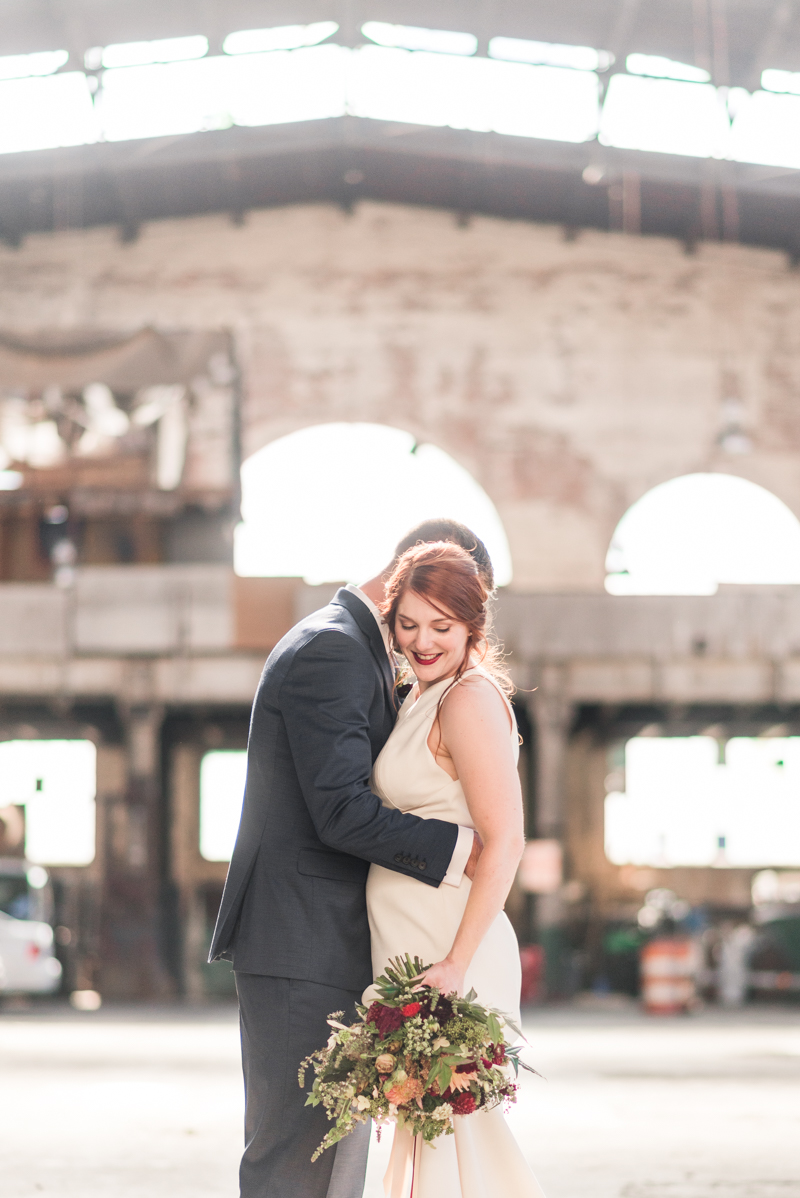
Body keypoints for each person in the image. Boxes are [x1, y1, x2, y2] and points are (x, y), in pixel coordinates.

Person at [209, 519, 494, 1198]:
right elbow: (338, 810)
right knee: (295, 1157)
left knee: (329, 1158)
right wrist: (464, 849)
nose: (428, 637)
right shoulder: (332, 650)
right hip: (300, 945)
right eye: (429, 613)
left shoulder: (354, 646)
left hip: (321, 945)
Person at [367, 540, 546, 1197]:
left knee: (463, 1147)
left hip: (449, 954)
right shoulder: (419, 693)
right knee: (434, 1148)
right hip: (414, 949)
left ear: (473, 624)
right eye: (407, 624)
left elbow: (506, 840)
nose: (422, 641)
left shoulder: (466, 699)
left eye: (441, 626)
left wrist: (455, 964)